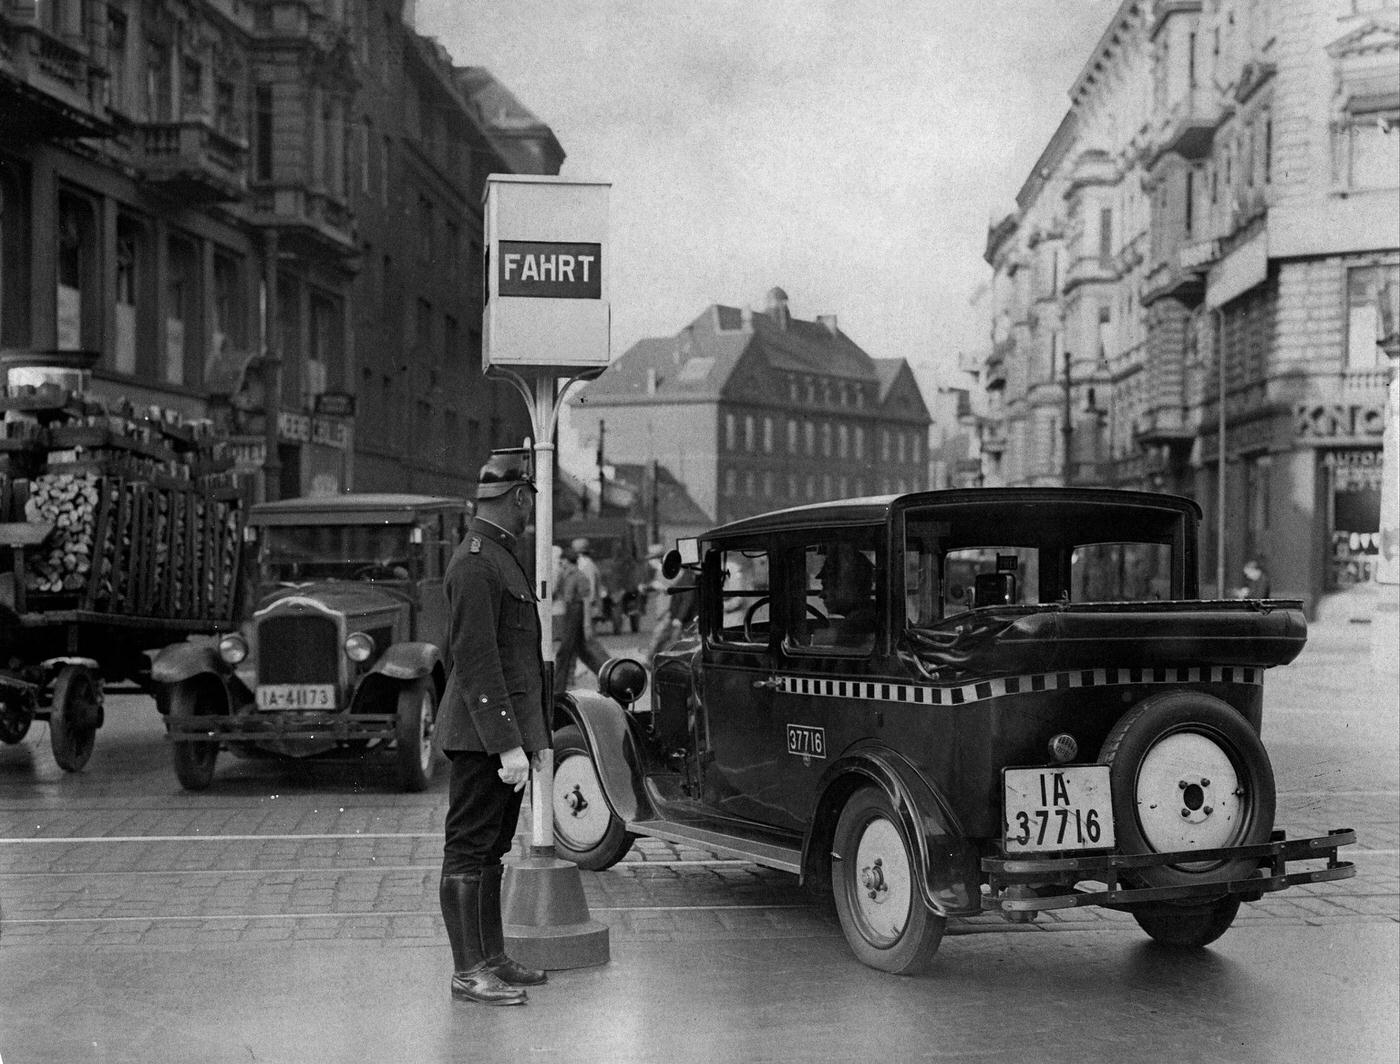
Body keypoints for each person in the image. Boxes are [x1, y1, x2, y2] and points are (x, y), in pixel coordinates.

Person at [435, 448, 549, 1007]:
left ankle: (491, 957)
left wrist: (529, 740)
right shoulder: (478, 562)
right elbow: (477, 660)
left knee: (490, 852)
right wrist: (507, 743)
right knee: (468, 851)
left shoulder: (498, 557)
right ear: (520, 496)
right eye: (530, 501)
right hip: (481, 737)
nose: (530, 512)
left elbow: (516, 659)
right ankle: (468, 971)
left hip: (498, 736)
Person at [552, 545, 605, 697]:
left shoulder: (579, 576)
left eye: (563, 561)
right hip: (571, 611)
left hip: (577, 612)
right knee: (583, 651)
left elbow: (586, 600)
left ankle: (557, 688)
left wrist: (586, 623)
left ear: (568, 561)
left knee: (564, 651)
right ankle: (605, 675)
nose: (561, 564)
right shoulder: (567, 575)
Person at [813, 543, 877, 648]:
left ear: (851, 584)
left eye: (826, 586)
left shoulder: (856, 624)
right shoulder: (871, 614)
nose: (821, 595)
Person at [569, 538, 610, 672]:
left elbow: (589, 592)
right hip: (588, 609)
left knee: (589, 643)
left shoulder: (586, 565)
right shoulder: (588, 564)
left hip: (588, 610)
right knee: (584, 645)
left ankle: (609, 668)